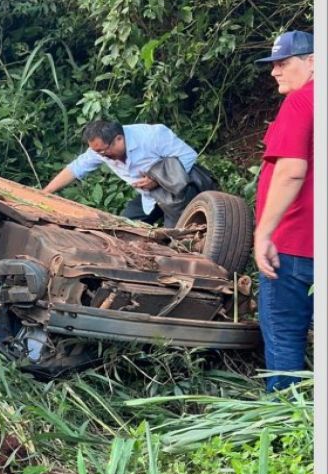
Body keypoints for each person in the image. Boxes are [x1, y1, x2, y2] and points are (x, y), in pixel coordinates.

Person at [252, 30, 314, 393]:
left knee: (284, 341)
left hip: (292, 249)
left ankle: (283, 426)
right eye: (273, 65)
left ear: (313, 61)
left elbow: (291, 170)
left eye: (283, 63)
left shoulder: (302, 102)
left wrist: (264, 234)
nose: (275, 72)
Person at [41, 119, 213, 227]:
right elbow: (76, 168)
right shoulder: (101, 149)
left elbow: (188, 155)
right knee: (121, 229)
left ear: (118, 139)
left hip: (179, 192)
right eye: (97, 153)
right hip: (149, 197)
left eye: (103, 151)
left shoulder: (151, 135)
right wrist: (45, 193)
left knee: (176, 239)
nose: (102, 156)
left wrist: (157, 179)